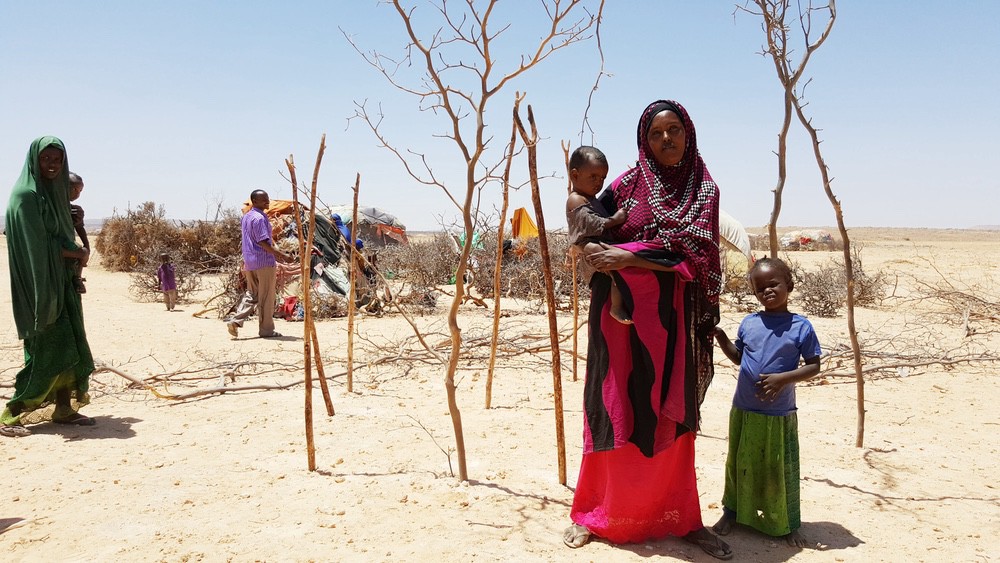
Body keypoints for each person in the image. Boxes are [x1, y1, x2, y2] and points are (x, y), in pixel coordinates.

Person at [563, 101, 732, 560]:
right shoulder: (624, 186)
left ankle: (682, 518)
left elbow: (693, 257)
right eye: (656, 133)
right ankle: (595, 513)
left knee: (667, 412)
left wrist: (631, 256)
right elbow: (584, 230)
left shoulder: (704, 192)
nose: (666, 141)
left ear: (688, 133)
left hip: (672, 320)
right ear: (644, 139)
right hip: (617, 320)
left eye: (674, 130)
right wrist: (605, 261)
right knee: (616, 405)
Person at [711, 257, 822, 548]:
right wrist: (722, 339)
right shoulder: (750, 322)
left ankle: (784, 522)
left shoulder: (801, 327)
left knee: (777, 469)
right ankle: (732, 512)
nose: (767, 292)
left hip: (778, 411)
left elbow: (814, 367)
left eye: (773, 284)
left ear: (789, 285)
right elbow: (740, 358)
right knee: (739, 463)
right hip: (745, 407)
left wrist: (782, 379)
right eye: (760, 288)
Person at [2, 137, 96, 438]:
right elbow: (37, 247)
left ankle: (64, 408)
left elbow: (62, 231)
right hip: (41, 284)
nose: (52, 164)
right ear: (34, 160)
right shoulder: (26, 195)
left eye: (57, 159)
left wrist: (75, 254)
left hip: (63, 281)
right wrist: (75, 253)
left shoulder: (53, 194)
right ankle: (10, 413)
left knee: (71, 343)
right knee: (48, 347)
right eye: (46, 159)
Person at [565, 145, 631, 324]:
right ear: (575, 175)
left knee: (618, 266)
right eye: (593, 176)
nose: (598, 182)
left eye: (602, 178)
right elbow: (590, 225)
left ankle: (618, 304)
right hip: (588, 246)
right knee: (613, 264)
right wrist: (614, 220)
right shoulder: (576, 199)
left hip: (597, 245)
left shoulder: (594, 200)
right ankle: (616, 307)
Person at [226, 189, 290, 338]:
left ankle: (235, 320)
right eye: (263, 200)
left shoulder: (247, 216)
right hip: (264, 261)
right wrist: (282, 255)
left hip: (250, 262)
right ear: (254, 202)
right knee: (266, 297)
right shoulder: (260, 219)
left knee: (252, 294)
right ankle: (266, 330)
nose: (267, 202)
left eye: (267, 199)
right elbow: (263, 242)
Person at [68, 172, 88, 294]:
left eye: (80, 190)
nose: (77, 193)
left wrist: (87, 245)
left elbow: (80, 227)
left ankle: (77, 278)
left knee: (81, 250)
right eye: (74, 189)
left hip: (68, 243)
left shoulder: (75, 210)